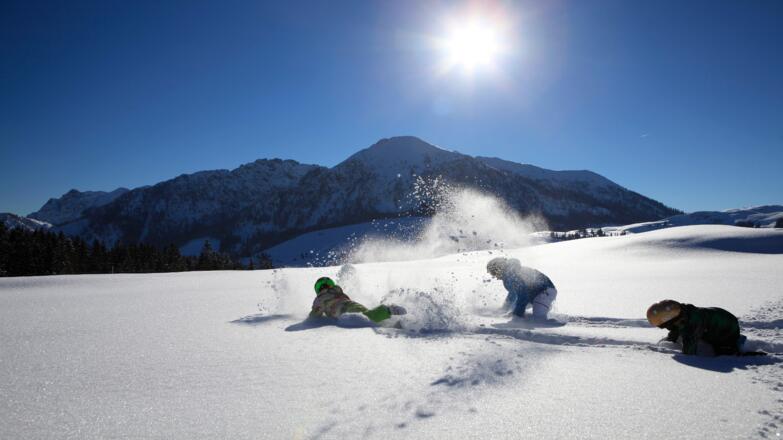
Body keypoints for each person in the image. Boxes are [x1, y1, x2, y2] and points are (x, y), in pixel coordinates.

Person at [646, 299, 748, 356]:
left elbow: (689, 351)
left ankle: (737, 344)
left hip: (726, 328)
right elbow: (675, 330)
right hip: (719, 319)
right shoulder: (682, 315)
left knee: (723, 354)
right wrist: (670, 340)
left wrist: (686, 355)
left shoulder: (692, 323)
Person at [486, 257, 557, 320]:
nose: (496, 277)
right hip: (532, 294)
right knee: (514, 309)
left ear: (498, 269)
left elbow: (523, 295)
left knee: (537, 318)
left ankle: (546, 325)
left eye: (493, 273)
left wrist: (517, 315)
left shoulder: (512, 275)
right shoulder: (508, 275)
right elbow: (513, 293)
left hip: (545, 291)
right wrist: (504, 308)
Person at [310, 277, 406, 323]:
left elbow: (314, 315)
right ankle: (393, 322)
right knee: (369, 318)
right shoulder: (336, 291)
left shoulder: (319, 299)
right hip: (351, 305)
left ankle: (390, 310)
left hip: (345, 309)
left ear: (318, 290)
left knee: (370, 318)